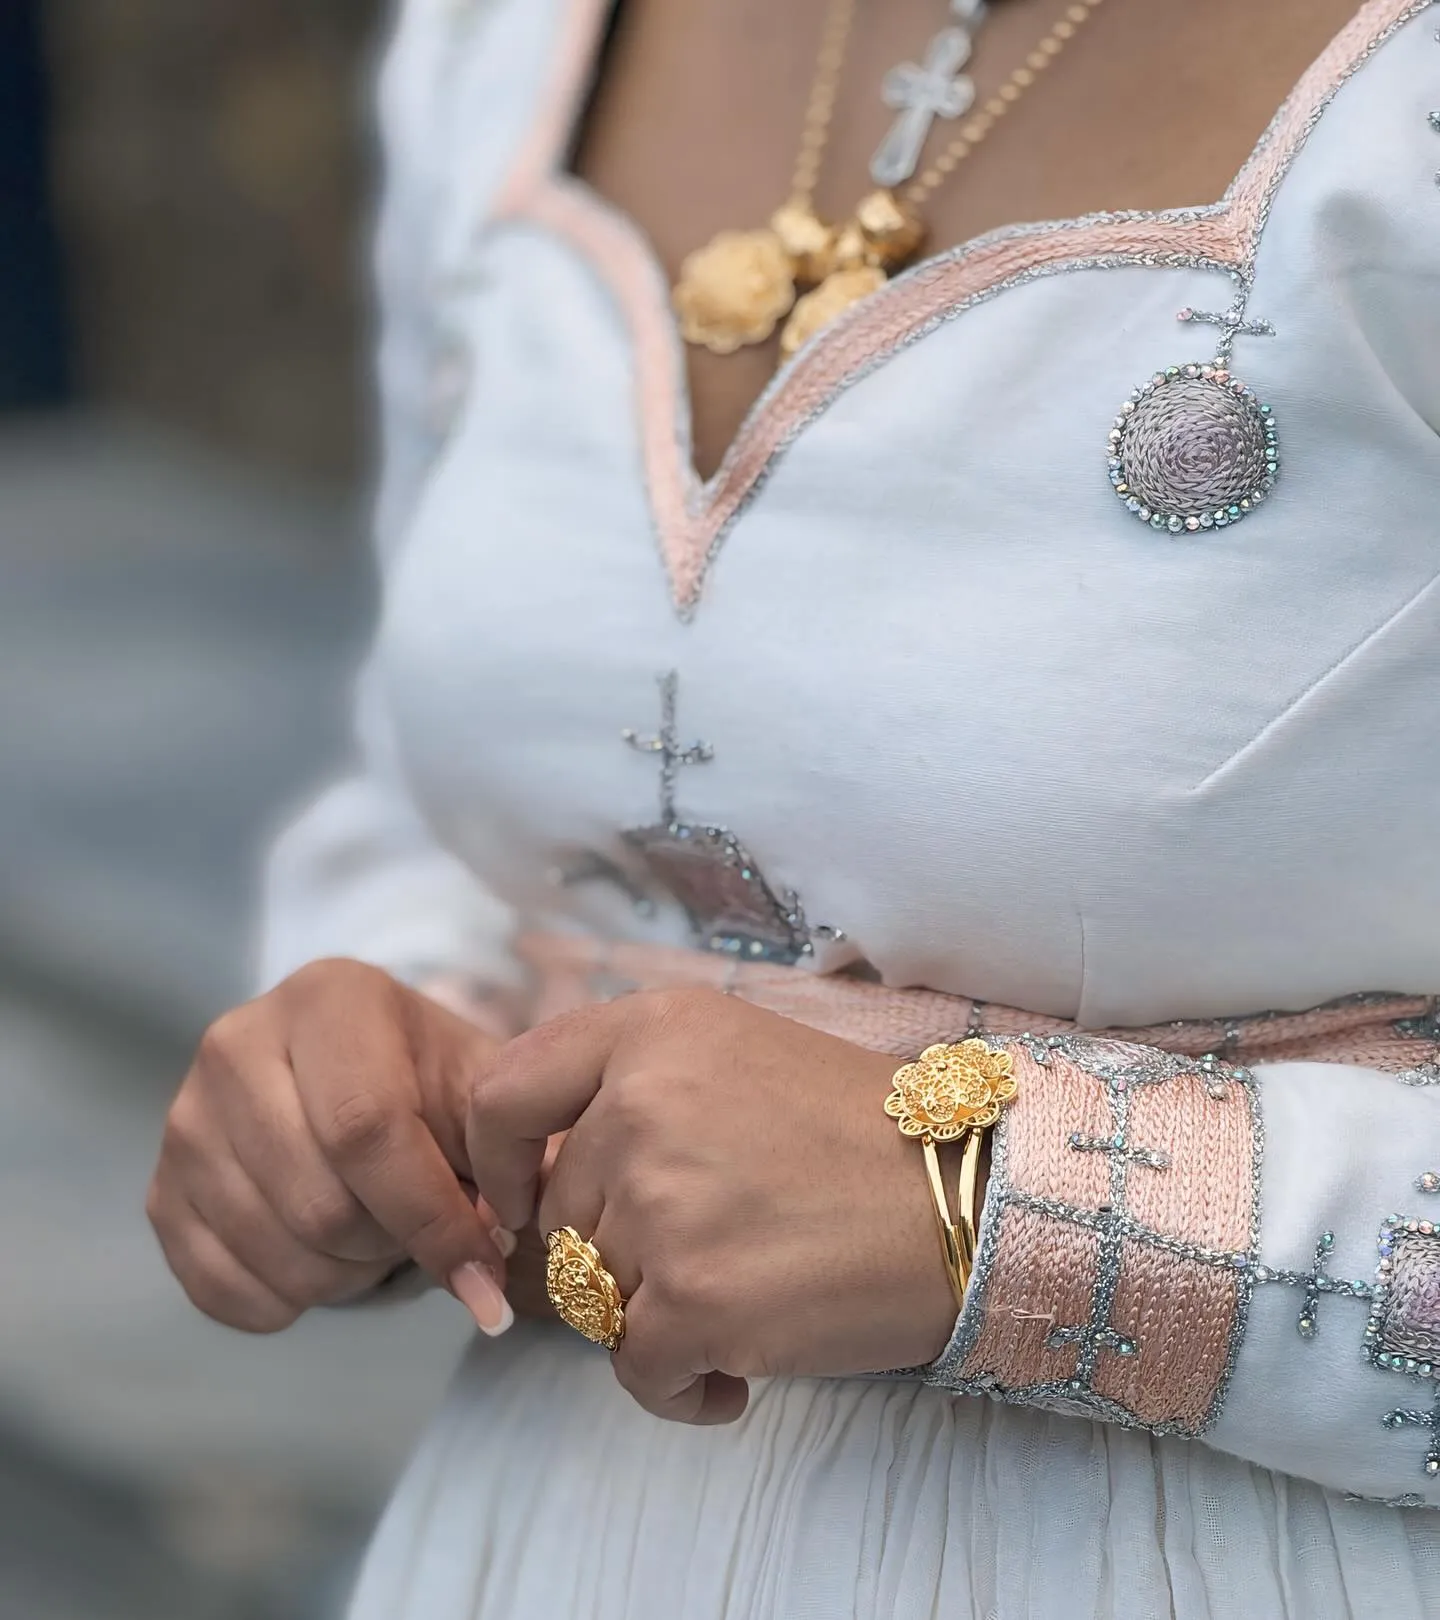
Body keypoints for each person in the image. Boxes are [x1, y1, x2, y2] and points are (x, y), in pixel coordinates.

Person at [148, 0, 1440, 1614]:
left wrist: (998, 1213)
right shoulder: (507, 40)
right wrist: (381, 1073)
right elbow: (459, 789)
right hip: (547, 1539)